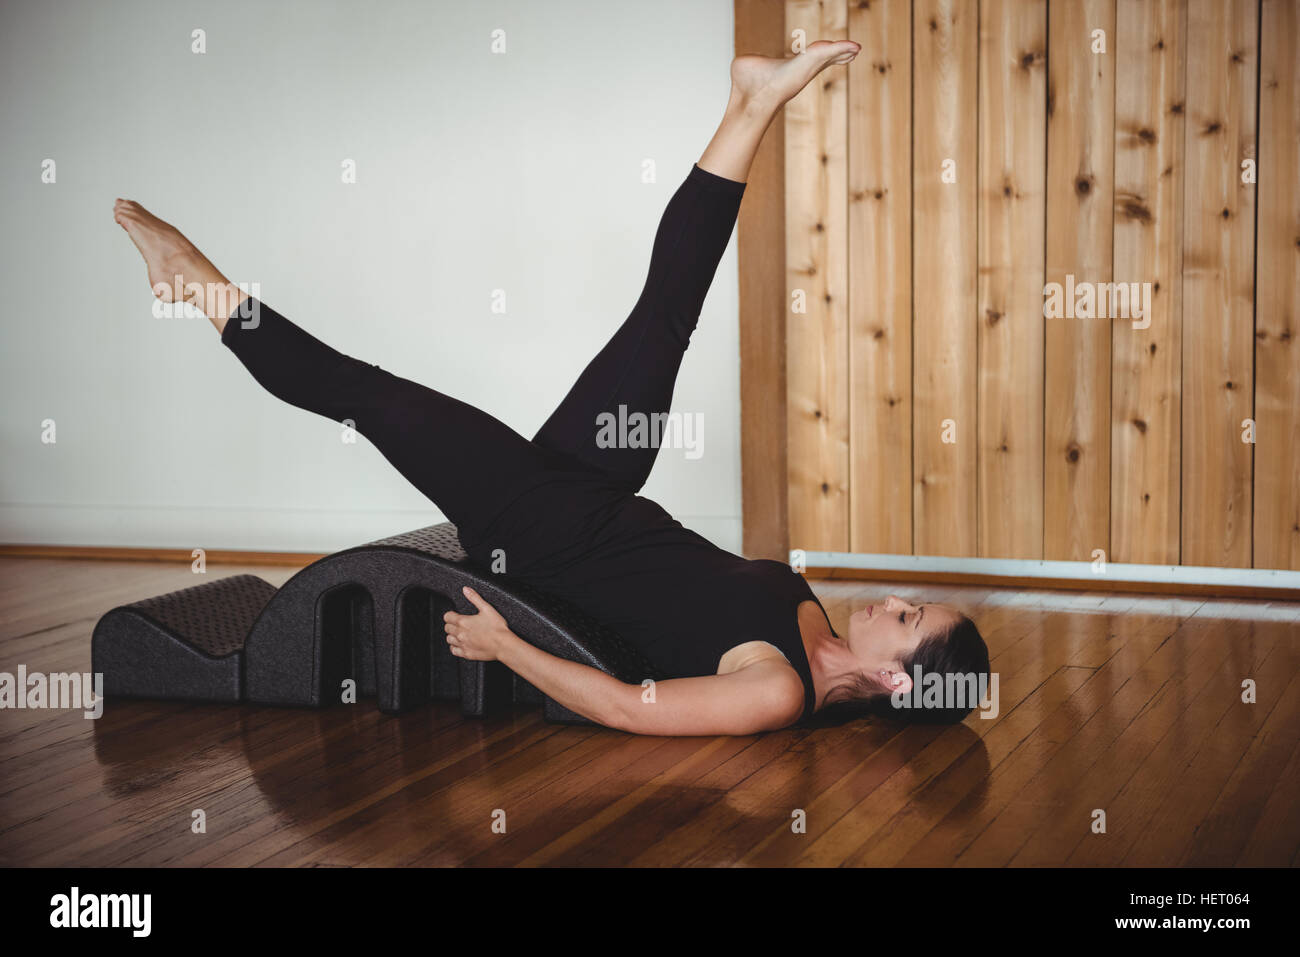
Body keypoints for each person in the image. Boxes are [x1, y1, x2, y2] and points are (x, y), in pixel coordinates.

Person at [114, 40, 990, 735]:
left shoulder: (774, 693)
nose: (892, 602)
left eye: (908, 619)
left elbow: (620, 706)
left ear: (890, 678)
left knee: (371, 397)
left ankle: (196, 284)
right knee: (666, 315)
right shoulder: (808, 611)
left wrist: (505, 644)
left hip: (539, 532)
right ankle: (752, 102)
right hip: (600, 486)